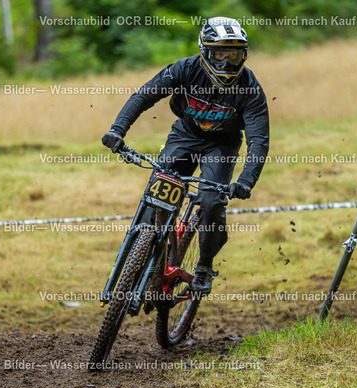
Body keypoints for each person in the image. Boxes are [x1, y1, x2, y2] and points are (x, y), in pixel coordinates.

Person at [101, 17, 270, 297]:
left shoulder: (250, 89)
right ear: (204, 52)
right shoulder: (185, 69)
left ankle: (204, 266)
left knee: (211, 201)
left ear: (244, 55)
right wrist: (117, 130)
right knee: (158, 187)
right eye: (219, 54)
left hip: (222, 144)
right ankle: (140, 247)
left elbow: (258, 141)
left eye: (234, 55)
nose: (226, 63)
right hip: (186, 134)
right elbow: (144, 96)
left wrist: (246, 181)